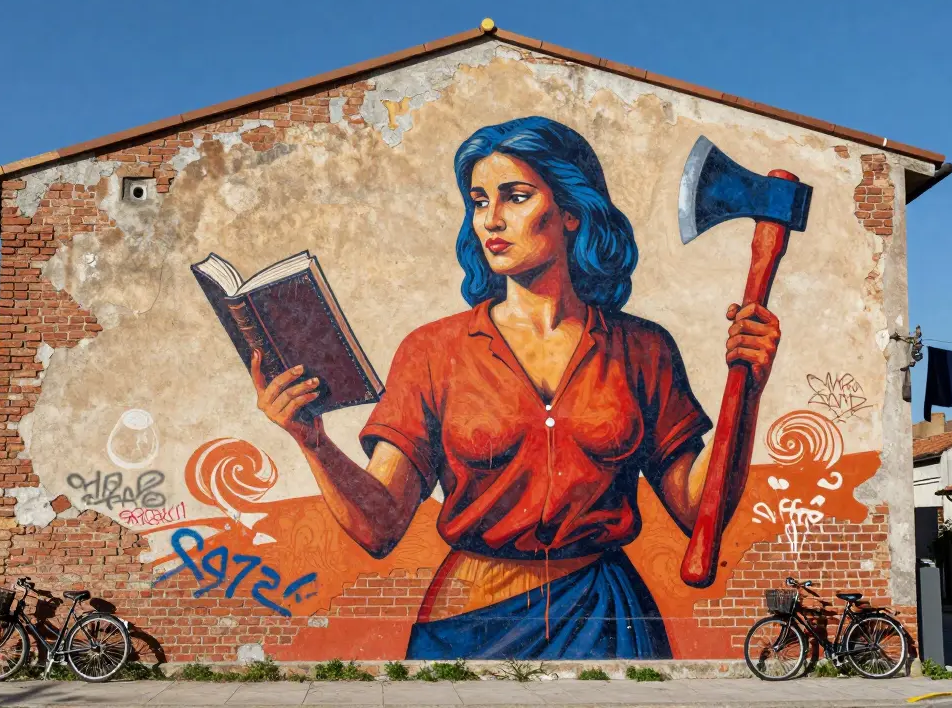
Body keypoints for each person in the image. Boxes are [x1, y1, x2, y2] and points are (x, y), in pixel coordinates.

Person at [250, 116, 780, 659]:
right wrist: (312, 442)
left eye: (516, 197)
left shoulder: (642, 348)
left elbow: (698, 511)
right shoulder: (432, 351)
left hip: (607, 621)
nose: (491, 220)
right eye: (479, 202)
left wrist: (749, 391)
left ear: (572, 211)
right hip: (466, 624)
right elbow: (380, 526)